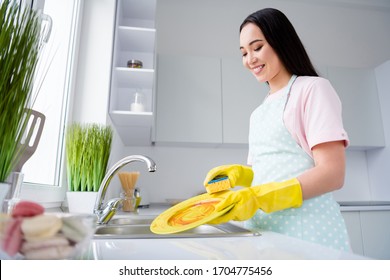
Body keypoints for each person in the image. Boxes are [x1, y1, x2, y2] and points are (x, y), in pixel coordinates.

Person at [203, 8, 351, 251]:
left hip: (308, 231)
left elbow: (333, 173)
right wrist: (241, 175)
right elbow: (266, 174)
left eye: (257, 47)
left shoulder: (313, 89)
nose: (249, 59)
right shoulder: (258, 113)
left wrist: (261, 197)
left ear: (280, 41)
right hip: (263, 232)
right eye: (243, 53)